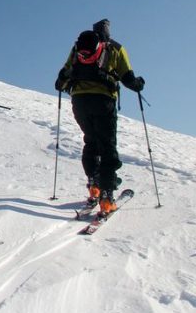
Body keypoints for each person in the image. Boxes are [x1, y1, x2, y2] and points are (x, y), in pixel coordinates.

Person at [55, 18, 145, 216]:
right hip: (103, 101)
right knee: (107, 147)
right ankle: (106, 197)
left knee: (91, 142)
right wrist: (138, 84)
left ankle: (94, 186)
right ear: (108, 31)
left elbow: (64, 74)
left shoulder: (78, 48)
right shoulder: (116, 48)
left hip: (79, 102)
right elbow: (128, 78)